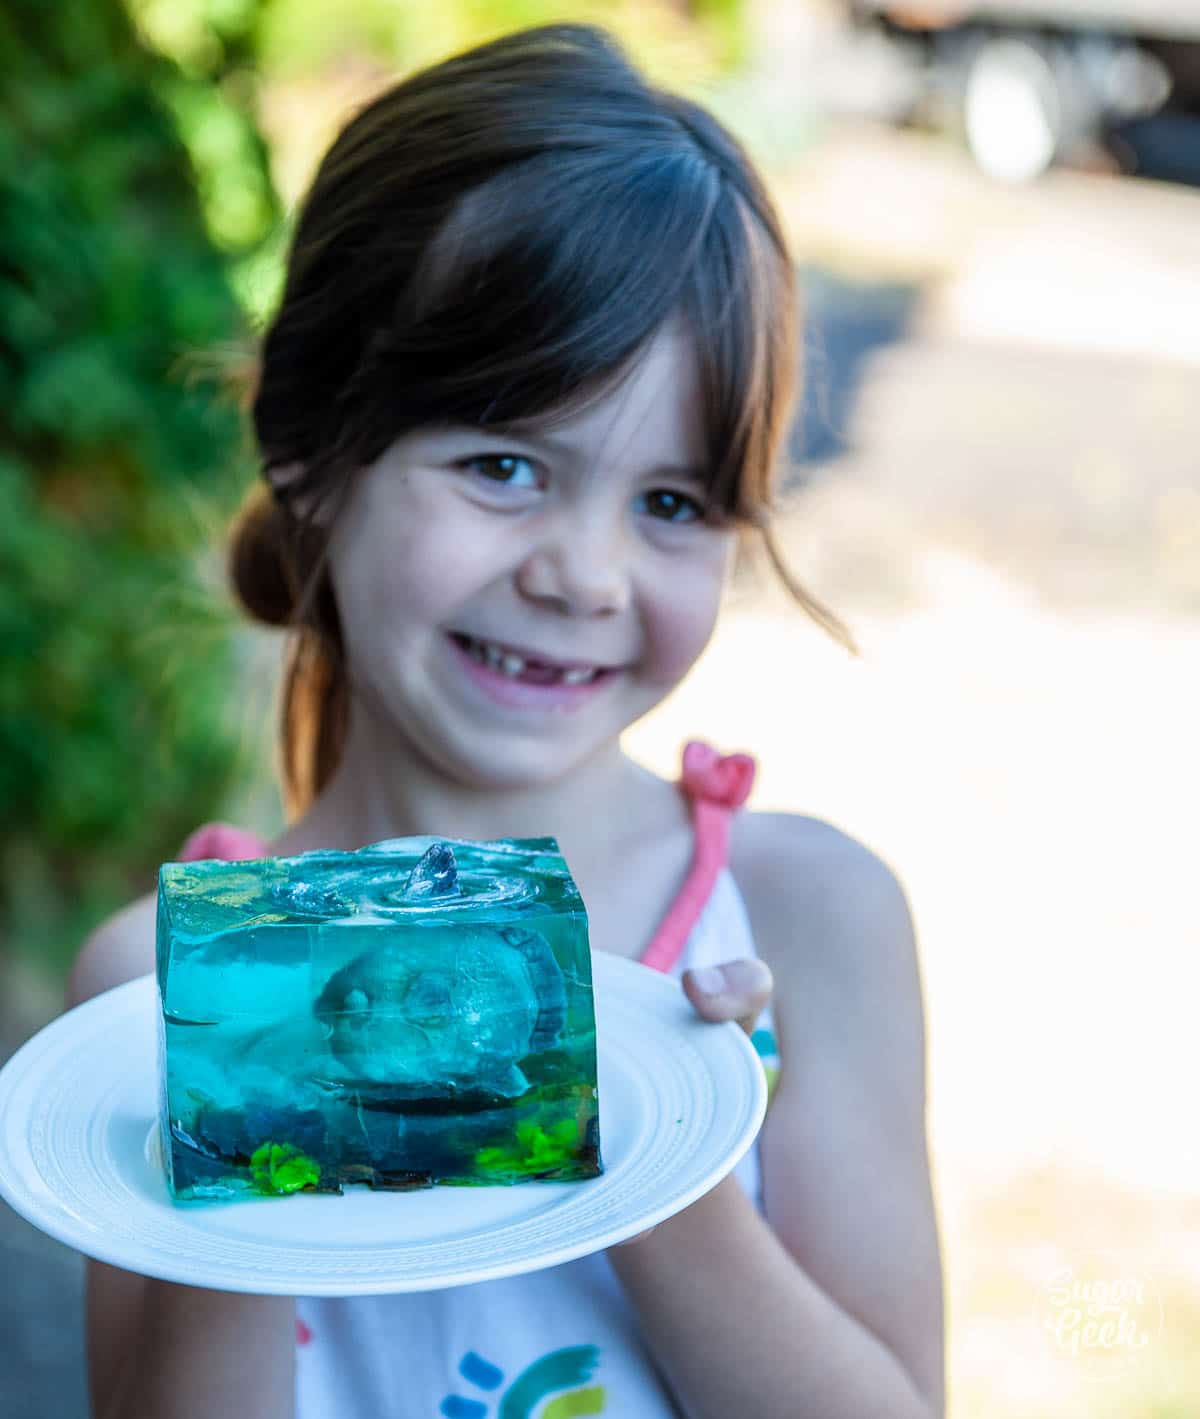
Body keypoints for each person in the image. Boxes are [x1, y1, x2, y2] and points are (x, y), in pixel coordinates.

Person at [68, 23, 944, 1419]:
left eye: (671, 504)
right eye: (502, 465)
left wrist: (656, 1137)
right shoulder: (150, 988)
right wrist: (246, 1083)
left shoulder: (803, 919)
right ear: (310, 449)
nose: (583, 577)